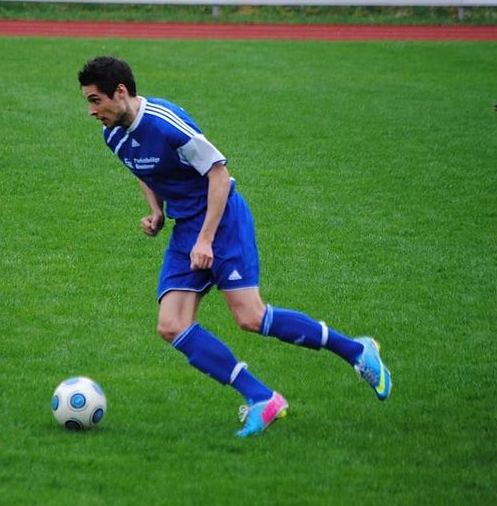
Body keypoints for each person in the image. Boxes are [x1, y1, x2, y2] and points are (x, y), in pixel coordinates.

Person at [78, 56, 392, 438]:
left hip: (222, 219)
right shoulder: (112, 135)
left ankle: (357, 351)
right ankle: (262, 398)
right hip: (185, 227)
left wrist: (206, 239)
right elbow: (143, 170)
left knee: (250, 317)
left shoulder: (165, 122)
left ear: (120, 92)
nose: (91, 110)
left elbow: (219, 175)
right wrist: (156, 211)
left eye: (95, 100)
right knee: (171, 325)